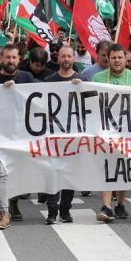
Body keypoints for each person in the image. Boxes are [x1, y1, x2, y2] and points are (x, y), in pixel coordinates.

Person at [0, 44, 36, 230]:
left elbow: (43, 98)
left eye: (14, 57)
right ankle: (4, 214)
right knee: (2, 175)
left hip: (22, 137)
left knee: (17, 173)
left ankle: (13, 203)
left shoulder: (26, 78)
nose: (10, 61)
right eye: (7, 57)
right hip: (0, 137)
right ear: (1, 59)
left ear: (19, 59)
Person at [91, 44, 131, 222]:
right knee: (106, 167)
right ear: (108, 59)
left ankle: (120, 204)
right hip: (105, 131)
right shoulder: (98, 78)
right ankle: (106, 206)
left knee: (123, 168)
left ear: (125, 59)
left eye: (120, 57)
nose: (116, 61)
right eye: (113, 57)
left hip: (127, 131)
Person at [43, 45, 81, 224]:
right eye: (63, 56)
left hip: (73, 137)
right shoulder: (48, 80)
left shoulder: (81, 80)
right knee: (53, 173)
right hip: (53, 136)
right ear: (58, 59)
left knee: (69, 174)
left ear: (73, 59)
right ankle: (52, 210)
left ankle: (65, 210)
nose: (66, 59)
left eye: (69, 56)